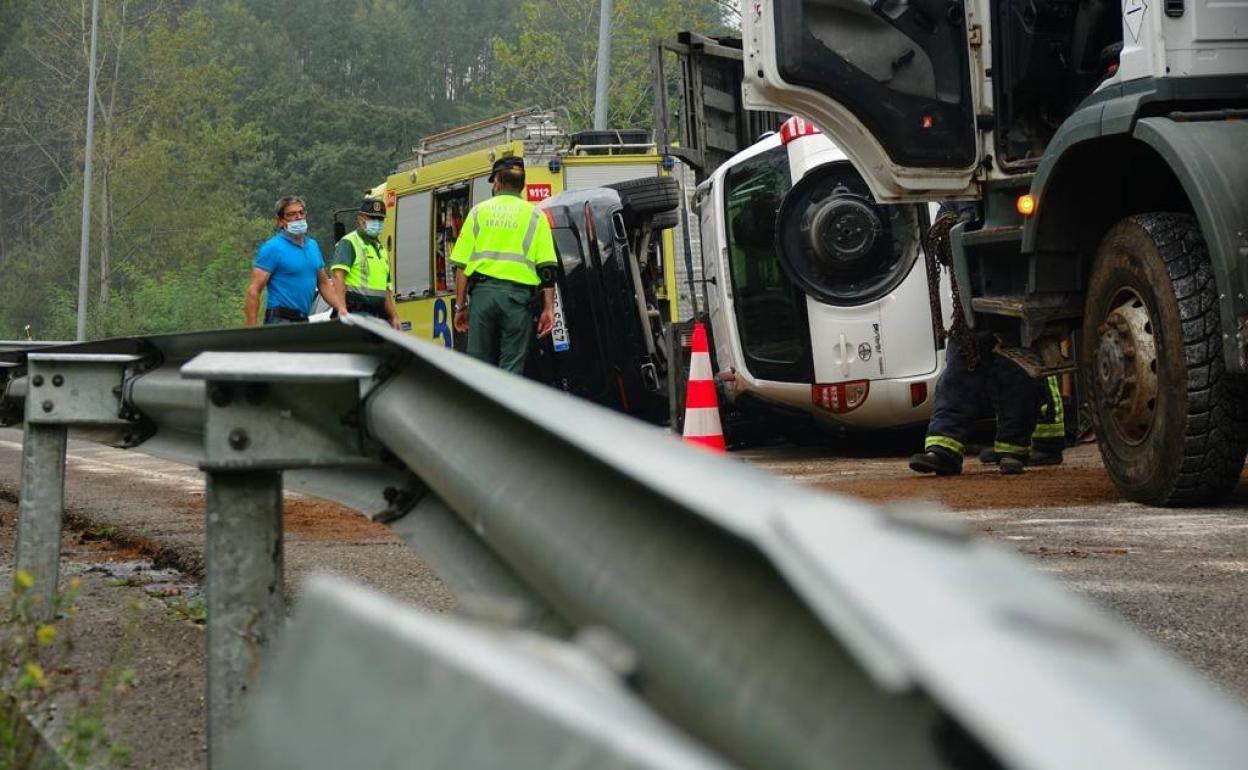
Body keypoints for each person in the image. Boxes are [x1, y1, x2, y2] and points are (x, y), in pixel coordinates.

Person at [909, 202, 1047, 476]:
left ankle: (1012, 451)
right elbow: (943, 248)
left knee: (1015, 374)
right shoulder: (958, 197)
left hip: (1014, 301)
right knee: (956, 376)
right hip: (973, 307)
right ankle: (943, 449)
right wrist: (949, 227)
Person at [450, 157, 557, 373]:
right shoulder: (536, 216)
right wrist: (549, 309)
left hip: (483, 298)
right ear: (523, 185)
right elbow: (547, 268)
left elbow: (461, 266)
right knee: (511, 370)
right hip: (518, 301)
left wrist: (460, 307)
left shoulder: (478, 213)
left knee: (479, 368)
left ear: (497, 182)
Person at [245, 195, 345, 325]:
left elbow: (324, 284)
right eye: (291, 214)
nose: (298, 217)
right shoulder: (272, 248)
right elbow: (254, 291)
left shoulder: (313, 246)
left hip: (303, 319)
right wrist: (252, 330)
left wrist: (341, 308)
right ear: (280, 221)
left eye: (301, 213)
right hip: (280, 318)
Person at [330, 198, 401, 329]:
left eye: (380, 219)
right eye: (372, 218)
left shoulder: (381, 250)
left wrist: (394, 317)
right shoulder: (349, 242)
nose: (377, 223)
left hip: (378, 316)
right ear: (360, 219)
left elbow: (385, 290)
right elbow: (338, 276)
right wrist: (341, 308)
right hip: (356, 313)